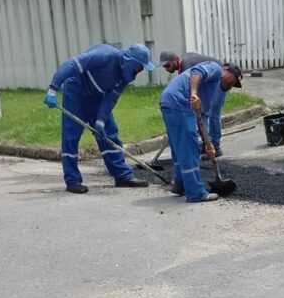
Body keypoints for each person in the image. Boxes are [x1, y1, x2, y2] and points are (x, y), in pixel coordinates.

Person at [44, 44, 155, 194]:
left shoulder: (124, 76)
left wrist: (101, 120)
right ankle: (72, 180)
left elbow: (111, 98)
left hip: (98, 97)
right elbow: (71, 64)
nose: (140, 71)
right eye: (139, 67)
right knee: (71, 136)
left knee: (109, 133)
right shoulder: (104, 56)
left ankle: (122, 175)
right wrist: (53, 89)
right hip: (76, 92)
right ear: (130, 61)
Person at [159, 61, 242, 202]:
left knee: (179, 147)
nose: (231, 86)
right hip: (180, 103)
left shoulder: (210, 92)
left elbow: (201, 119)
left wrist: (208, 143)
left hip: (169, 101)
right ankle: (195, 193)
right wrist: (194, 94)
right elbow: (197, 71)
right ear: (228, 71)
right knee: (189, 148)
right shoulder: (216, 68)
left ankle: (180, 185)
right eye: (233, 81)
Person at [160, 51, 226, 157]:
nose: (167, 69)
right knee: (202, 112)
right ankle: (207, 144)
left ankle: (215, 146)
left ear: (176, 60)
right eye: (164, 67)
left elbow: (191, 87)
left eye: (168, 65)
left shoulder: (187, 66)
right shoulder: (183, 66)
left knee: (212, 113)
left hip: (219, 78)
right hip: (206, 80)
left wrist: (194, 95)